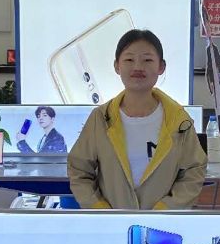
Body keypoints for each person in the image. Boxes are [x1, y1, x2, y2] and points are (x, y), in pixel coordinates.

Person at [68, 29, 206, 209]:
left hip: (163, 223)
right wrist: (99, 208)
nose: (138, 67)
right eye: (129, 60)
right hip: (113, 222)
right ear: (117, 66)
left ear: (161, 67)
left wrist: (167, 208)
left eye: (147, 60)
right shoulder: (100, 118)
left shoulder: (179, 121)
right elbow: (79, 170)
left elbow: (194, 171)